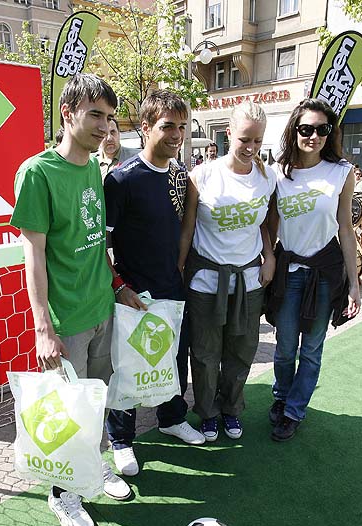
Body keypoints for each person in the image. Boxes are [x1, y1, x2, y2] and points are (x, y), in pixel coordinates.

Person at [10, 74, 137, 526]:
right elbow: (33, 254)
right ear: (68, 113)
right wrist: (42, 326)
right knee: (67, 413)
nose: (105, 126)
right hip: (66, 325)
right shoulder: (38, 172)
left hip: (101, 309)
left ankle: (95, 466)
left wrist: (117, 285)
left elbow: (94, 242)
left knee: (96, 405)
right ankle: (63, 495)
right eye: (95, 115)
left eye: (109, 117)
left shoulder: (92, 170)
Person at [104, 90, 207, 474]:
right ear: (145, 127)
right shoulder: (120, 180)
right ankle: (121, 440)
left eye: (182, 126)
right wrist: (120, 286)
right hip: (133, 293)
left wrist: (178, 269)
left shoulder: (181, 176)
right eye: (167, 126)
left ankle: (171, 418)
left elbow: (183, 229)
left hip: (171, 288)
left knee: (173, 359)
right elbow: (103, 243)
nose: (176, 134)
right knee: (128, 368)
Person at [263, 98, 361, 442]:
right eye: (307, 129)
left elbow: (346, 228)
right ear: (295, 130)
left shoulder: (341, 172)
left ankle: (294, 410)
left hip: (325, 272)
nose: (314, 136)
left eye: (322, 129)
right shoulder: (278, 173)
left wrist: (354, 284)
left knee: (312, 348)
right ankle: (281, 395)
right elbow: (270, 225)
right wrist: (268, 259)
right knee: (285, 345)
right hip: (289, 272)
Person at [179, 100, 276, 442]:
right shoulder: (203, 174)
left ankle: (232, 408)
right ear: (229, 134)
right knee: (205, 353)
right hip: (206, 280)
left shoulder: (268, 176)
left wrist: (270, 255)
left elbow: (266, 222)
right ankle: (207, 412)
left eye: (257, 141)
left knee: (242, 349)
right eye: (244, 139)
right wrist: (179, 270)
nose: (250, 148)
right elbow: (188, 229)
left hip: (249, 281)